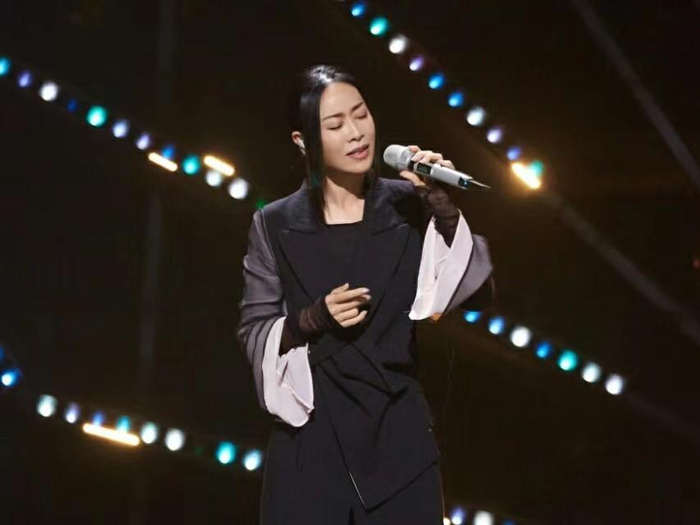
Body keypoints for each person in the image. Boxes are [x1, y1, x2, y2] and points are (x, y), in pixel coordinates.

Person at [237, 65, 494, 525]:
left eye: (361, 114)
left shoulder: (408, 203)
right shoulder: (275, 223)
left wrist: (443, 209)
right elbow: (255, 333)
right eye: (335, 125)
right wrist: (312, 318)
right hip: (309, 446)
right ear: (303, 141)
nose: (356, 133)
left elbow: (477, 295)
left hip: (400, 443)